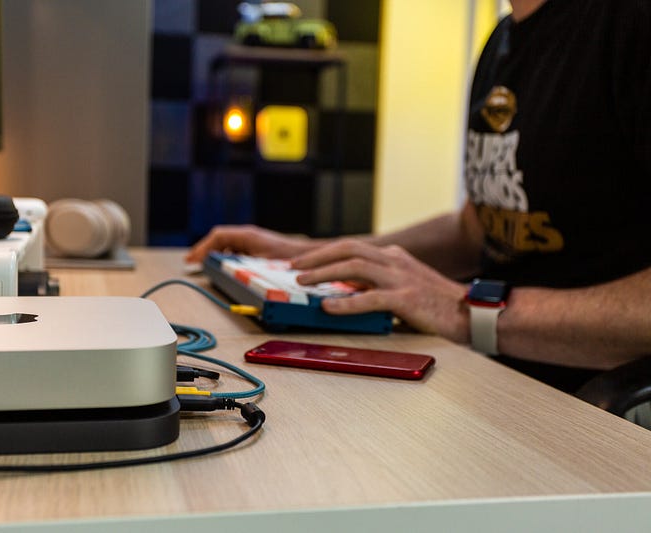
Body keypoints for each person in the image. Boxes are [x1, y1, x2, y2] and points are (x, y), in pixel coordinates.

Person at [186, 0, 651, 393]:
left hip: (598, 413)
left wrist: (462, 310)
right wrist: (309, 254)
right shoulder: (505, 39)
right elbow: (476, 230)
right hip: (495, 378)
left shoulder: (630, 22)